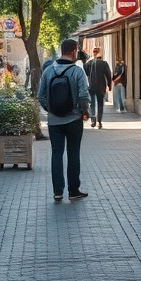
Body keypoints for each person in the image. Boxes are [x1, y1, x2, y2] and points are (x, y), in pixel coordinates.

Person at [37, 38, 92, 201]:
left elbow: (41, 96)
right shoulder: (77, 71)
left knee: (56, 154)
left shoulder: (48, 71)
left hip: (54, 122)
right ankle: (74, 190)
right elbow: (83, 95)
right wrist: (84, 111)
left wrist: (51, 110)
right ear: (74, 50)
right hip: (74, 120)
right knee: (73, 153)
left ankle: (58, 191)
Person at [86, 47, 112, 128]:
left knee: (92, 104)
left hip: (91, 86)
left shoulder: (89, 63)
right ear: (100, 53)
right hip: (101, 87)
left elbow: (86, 72)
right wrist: (109, 86)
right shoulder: (104, 63)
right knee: (100, 104)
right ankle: (99, 122)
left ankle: (93, 120)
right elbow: (108, 75)